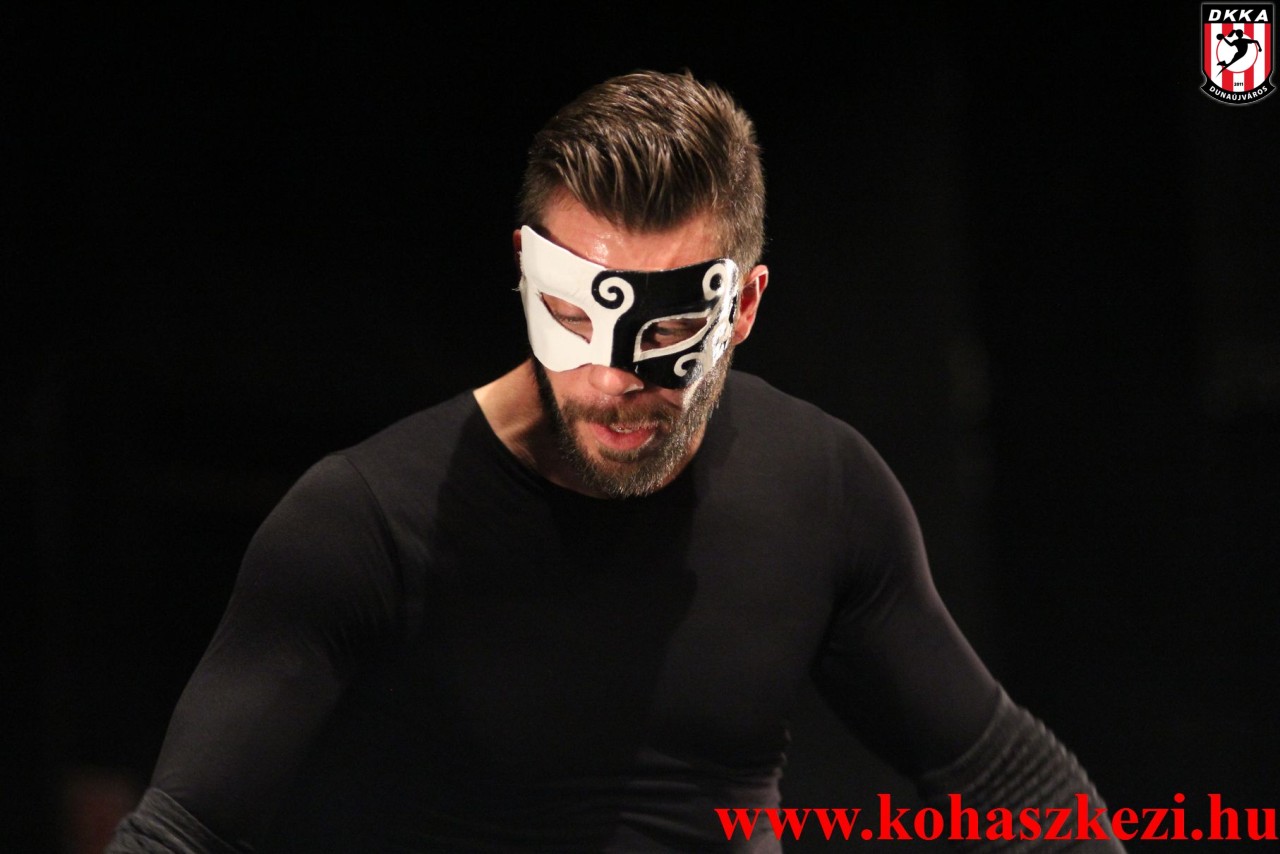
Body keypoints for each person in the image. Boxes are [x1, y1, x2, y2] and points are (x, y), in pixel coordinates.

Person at [110, 70, 1123, 852]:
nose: (609, 379)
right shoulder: (362, 523)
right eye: (571, 317)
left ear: (743, 307)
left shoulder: (819, 488)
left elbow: (1016, 786)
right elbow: (184, 833)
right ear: (524, 272)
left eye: (669, 330)